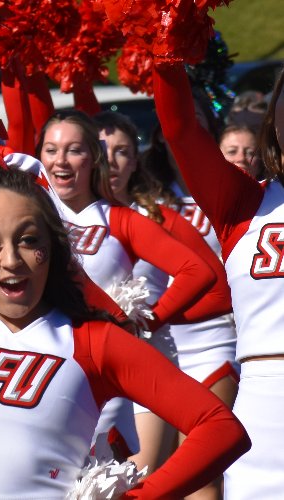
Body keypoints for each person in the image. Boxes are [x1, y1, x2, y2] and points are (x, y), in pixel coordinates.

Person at [0, 87, 248, 497]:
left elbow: (222, 429)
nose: (12, 260)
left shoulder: (93, 342)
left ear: (52, 249)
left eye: (29, 240)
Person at [36, 110, 220, 462]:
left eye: (74, 150)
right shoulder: (30, 216)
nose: (61, 160)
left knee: (117, 485)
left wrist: (144, 323)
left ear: (93, 157)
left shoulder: (119, 219)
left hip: (103, 374)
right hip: (47, 371)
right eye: (51, 149)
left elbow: (196, 270)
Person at [154, 62, 284, 499]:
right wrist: (164, 46)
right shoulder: (244, 202)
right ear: (273, 117)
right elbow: (179, 129)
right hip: (260, 417)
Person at [92, 111, 237, 493]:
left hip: (151, 357)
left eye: (123, 151)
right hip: (85, 361)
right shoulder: (58, 217)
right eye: (102, 150)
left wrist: (147, 320)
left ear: (136, 160)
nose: (111, 161)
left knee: (141, 475)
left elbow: (212, 281)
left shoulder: (153, 214)